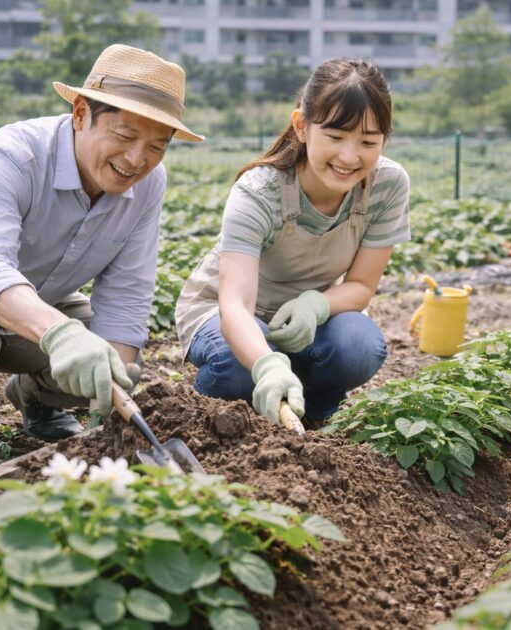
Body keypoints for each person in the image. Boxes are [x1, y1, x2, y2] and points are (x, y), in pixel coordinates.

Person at [0, 44, 203, 477]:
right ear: (80, 113)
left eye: (157, 146)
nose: (137, 160)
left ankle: (37, 397)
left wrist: (109, 403)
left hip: (36, 302)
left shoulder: (148, 184)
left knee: (114, 359)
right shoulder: (13, 154)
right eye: (125, 136)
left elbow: (128, 293)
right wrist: (59, 334)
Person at [175, 58, 409, 426]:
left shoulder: (387, 185)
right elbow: (235, 305)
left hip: (305, 320)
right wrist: (267, 365)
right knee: (238, 366)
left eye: (368, 141)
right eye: (335, 137)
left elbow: (362, 286)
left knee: (359, 346)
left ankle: (312, 417)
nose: (349, 157)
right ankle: (215, 422)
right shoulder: (259, 191)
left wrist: (315, 305)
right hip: (226, 312)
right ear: (302, 126)